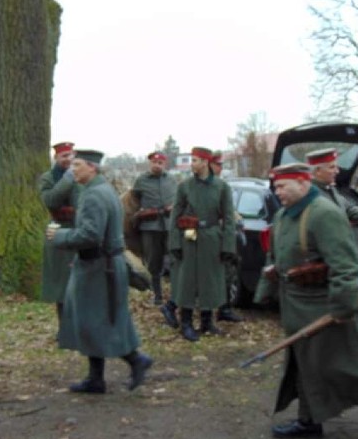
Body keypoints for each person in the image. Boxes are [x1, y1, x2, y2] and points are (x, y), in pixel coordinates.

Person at [264, 163, 358, 438]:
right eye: (276, 187)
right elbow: (276, 260)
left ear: (303, 183)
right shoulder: (284, 215)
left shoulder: (324, 214)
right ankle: (309, 421)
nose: (277, 192)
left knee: (349, 362)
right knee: (305, 366)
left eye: (282, 186)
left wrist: (343, 307)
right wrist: (266, 292)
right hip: (297, 304)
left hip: (325, 304)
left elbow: (345, 265)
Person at [47, 149, 152, 393]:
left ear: (92, 168)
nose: (73, 169)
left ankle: (136, 361)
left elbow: (90, 235)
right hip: (100, 265)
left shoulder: (93, 195)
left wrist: (59, 235)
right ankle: (96, 378)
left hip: (99, 267)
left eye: (78, 165)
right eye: (73, 165)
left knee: (96, 320)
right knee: (95, 320)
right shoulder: (102, 190)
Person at [167, 147, 236, 342]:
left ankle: (207, 322)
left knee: (210, 280)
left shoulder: (222, 187)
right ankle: (186, 323)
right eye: (192, 160)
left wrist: (228, 246)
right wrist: (174, 243)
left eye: (196, 160)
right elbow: (175, 216)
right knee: (187, 280)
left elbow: (229, 218)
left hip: (212, 237)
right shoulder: (185, 186)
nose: (192, 164)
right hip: (189, 236)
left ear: (205, 162)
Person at [305, 147, 358, 281]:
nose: (337, 171)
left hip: (348, 263)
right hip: (333, 267)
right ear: (318, 171)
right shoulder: (310, 195)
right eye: (332, 167)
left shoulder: (330, 190)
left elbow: (350, 209)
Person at [38, 141, 81, 336]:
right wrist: (67, 179)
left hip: (80, 230)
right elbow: (50, 200)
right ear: (56, 158)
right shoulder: (48, 178)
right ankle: (65, 327)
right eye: (64, 156)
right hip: (58, 232)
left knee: (82, 280)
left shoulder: (81, 174)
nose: (69, 160)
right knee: (62, 284)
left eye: (71, 155)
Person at [130, 151, 177, 305]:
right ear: (150, 163)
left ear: (165, 164)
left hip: (169, 226)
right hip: (149, 226)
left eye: (160, 163)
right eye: (154, 163)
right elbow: (134, 200)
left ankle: (176, 296)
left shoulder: (171, 180)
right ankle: (157, 296)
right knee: (153, 262)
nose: (157, 166)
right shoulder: (141, 181)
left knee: (174, 259)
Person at [209, 151, 243, 323]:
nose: (221, 168)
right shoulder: (199, 186)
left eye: (221, 165)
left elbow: (230, 212)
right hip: (208, 236)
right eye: (218, 164)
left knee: (227, 273)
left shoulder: (223, 186)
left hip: (224, 236)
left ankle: (224, 308)